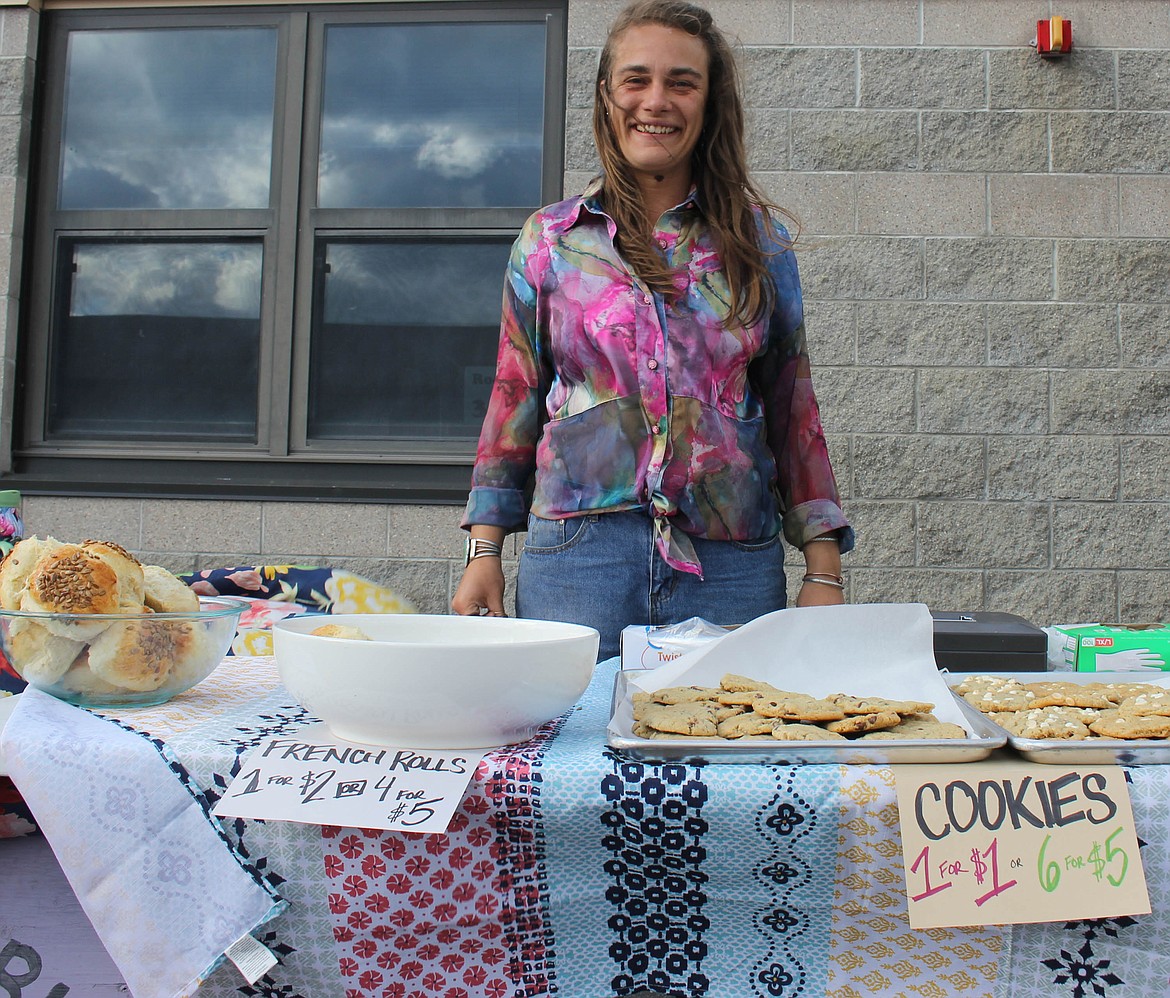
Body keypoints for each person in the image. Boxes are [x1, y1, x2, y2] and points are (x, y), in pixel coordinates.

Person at [453, 0, 853, 660]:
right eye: (636, 79)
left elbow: (792, 410)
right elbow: (513, 397)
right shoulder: (549, 242)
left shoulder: (759, 245)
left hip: (730, 566)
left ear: (708, 100)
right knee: (564, 745)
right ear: (607, 94)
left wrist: (822, 569)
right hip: (580, 561)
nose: (656, 100)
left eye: (681, 82)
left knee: (731, 747)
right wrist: (484, 550)